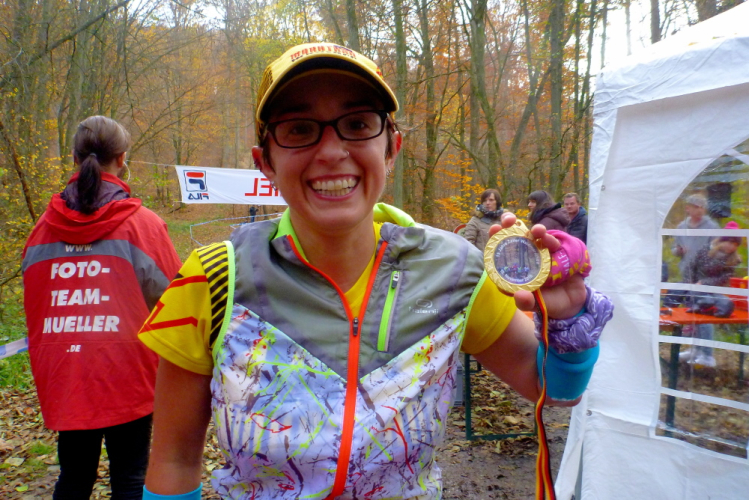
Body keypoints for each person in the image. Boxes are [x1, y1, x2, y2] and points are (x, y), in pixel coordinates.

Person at [138, 42, 613, 500]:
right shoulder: (213, 278)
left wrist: (568, 318)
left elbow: (554, 388)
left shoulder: (453, 270)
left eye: (357, 124)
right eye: (299, 129)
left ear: (391, 147)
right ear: (266, 163)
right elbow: (175, 460)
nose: (331, 151)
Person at [21, 116, 181, 500]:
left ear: (74, 158)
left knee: (74, 477)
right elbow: (175, 299)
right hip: (128, 371)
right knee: (131, 477)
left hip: (65, 371)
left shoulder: (42, 229)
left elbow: (35, 297)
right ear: (122, 158)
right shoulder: (142, 225)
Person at [680, 221, 743, 367]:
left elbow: (724, 278)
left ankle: (707, 355)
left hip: (714, 292)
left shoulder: (733, 260)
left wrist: (704, 282)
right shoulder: (705, 250)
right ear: (722, 240)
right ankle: (696, 349)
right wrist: (689, 284)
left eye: (735, 244)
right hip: (695, 289)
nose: (731, 246)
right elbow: (691, 266)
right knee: (695, 319)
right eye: (729, 242)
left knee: (704, 318)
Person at [671, 193, 719, 280]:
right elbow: (674, 249)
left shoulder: (712, 227)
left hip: (705, 273)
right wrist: (679, 250)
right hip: (686, 272)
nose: (700, 210)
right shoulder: (681, 227)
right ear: (687, 208)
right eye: (696, 207)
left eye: (702, 207)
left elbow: (717, 250)